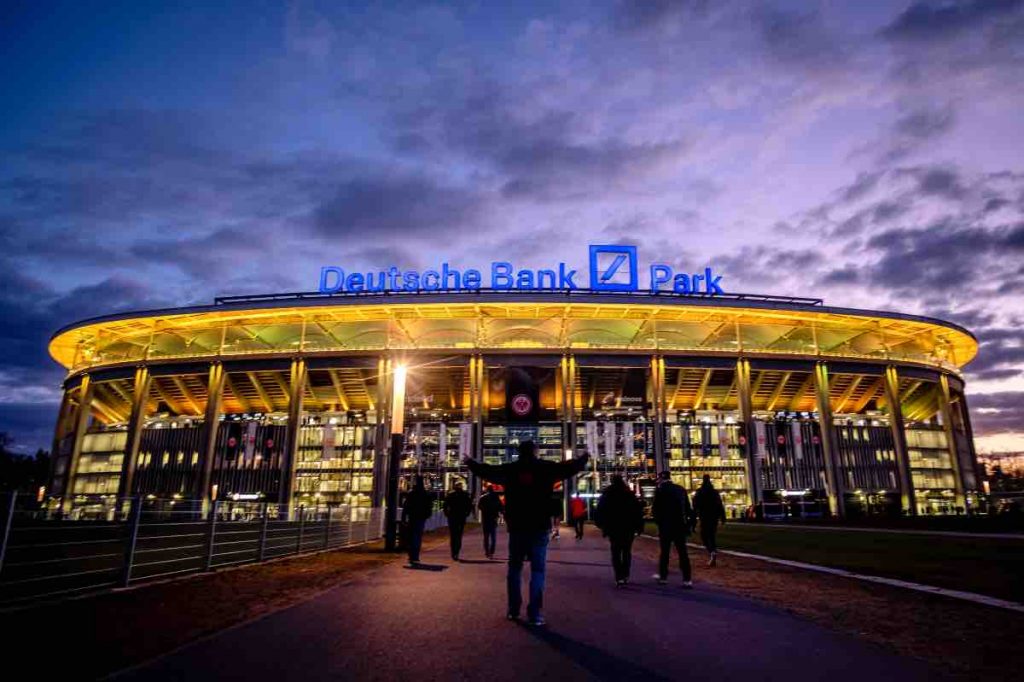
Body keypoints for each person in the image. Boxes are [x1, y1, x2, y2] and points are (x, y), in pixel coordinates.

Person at [463, 441, 590, 626]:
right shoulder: (545, 468)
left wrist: (470, 462)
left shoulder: (511, 469)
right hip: (539, 525)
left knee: (514, 568)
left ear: (519, 452)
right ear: (535, 452)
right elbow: (568, 468)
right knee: (538, 570)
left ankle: (514, 610)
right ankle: (535, 613)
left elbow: (488, 471)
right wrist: (584, 457)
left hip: (517, 525)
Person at [595, 475, 645, 587]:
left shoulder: (607, 494)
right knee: (627, 551)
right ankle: (626, 574)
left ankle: (619, 577)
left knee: (616, 552)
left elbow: (600, 510)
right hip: (628, 527)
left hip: (614, 527)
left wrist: (602, 525)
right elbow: (637, 511)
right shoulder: (629, 494)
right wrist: (639, 526)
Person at [651, 470, 694, 587]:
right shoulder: (680, 489)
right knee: (683, 553)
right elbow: (688, 509)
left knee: (665, 552)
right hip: (680, 525)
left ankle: (663, 577)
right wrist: (688, 524)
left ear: (661, 479)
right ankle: (687, 579)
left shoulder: (660, 490)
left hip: (666, 526)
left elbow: (655, 510)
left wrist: (659, 523)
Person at [692, 474, 726, 567]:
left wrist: (693, 520)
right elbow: (720, 504)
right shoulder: (714, 492)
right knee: (711, 536)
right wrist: (723, 517)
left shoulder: (700, 492)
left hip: (704, 516)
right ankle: (713, 551)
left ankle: (712, 551)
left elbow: (695, 506)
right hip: (713, 517)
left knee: (704, 536)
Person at [401, 476, 433, 566]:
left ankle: (412, 556)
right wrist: (427, 515)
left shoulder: (412, 493)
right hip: (421, 517)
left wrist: (404, 517)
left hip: (412, 517)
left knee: (411, 536)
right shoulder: (425, 494)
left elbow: (406, 506)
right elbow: (429, 506)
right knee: (417, 537)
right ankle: (415, 556)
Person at [442, 481, 473, 561]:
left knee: (453, 535)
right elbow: (469, 506)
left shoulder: (450, 495)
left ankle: (453, 552)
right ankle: (457, 552)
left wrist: (447, 514)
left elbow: (445, 505)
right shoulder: (465, 495)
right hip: (461, 517)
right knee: (459, 535)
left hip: (452, 516)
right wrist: (467, 514)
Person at [477, 484, 504, 559]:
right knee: (493, 536)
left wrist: (485, 510)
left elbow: (479, 507)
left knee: (486, 537)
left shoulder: (483, 498)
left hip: (485, 518)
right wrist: (501, 512)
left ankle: (487, 552)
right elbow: (501, 507)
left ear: (487, 490)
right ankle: (492, 552)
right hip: (493, 518)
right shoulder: (496, 498)